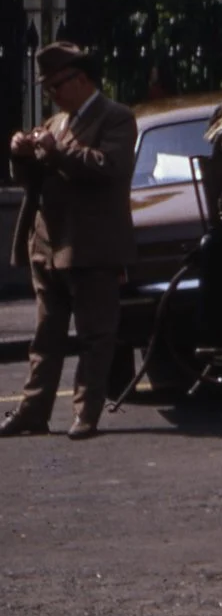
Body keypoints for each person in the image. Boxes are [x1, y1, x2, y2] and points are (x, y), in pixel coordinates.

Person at [3, 42, 137, 439]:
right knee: (46, 336)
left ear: (80, 79)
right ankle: (34, 410)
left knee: (96, 334)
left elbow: (107, 168)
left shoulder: (116, 118)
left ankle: (86, 410)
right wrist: (21, 155)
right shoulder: (56, 122)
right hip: (49, 241)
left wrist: (55, 151)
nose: (52, 95)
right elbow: (32, 181)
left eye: (55, 86)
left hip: (92, 245)